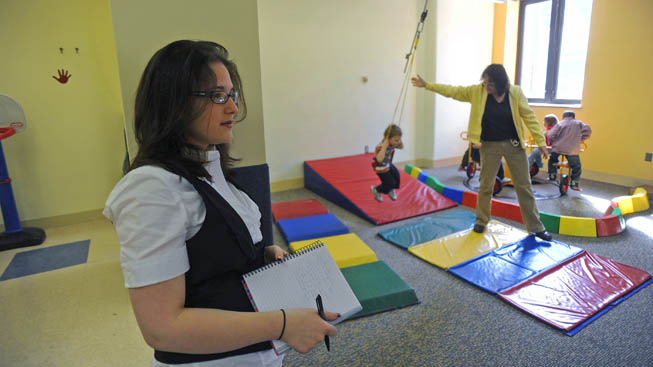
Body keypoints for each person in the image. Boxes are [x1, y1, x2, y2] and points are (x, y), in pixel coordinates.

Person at [103, 40, 337, 367]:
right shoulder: (152, 188)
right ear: (173, 103)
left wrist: (259, 256)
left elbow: (209, 255)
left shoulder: (209, 167)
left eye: (232, 95)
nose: (232, 108)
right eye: (217, 96)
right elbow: (162, 328)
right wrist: (283, 324)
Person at [411, 64, 553, 241]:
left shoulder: (515, 93)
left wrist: (541, 142)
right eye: (485, 82)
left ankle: (536, 227)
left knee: (524, 186)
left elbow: (529, 116)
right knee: (486, 185)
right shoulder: (478, 92)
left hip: (513, 145)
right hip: (489, 145)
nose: (486, 86)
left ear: (501, 83)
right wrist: (428, 85)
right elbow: (453, 91)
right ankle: (481, 221)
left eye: (490, 84)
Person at [547, 110, 592, 191]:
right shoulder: (578, 123)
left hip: (558, 148)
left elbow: (550, 134)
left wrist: (551, 142)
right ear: (573, 117)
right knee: (576, 166)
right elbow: (588, 130)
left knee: (552, 160)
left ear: (563, 116)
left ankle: (552, 175)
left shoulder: (560, 123)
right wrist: (582, 139)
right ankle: (574, 183)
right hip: (572, 149)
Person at [371, 124, 404, 202]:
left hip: (387, 164)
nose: (397, 142)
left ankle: (390, 190)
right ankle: (376, 190)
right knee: (389, 183)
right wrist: (384, 147)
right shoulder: (380, 146)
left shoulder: (393, 142)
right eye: (396, 140)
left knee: (397, 175)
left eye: (399, 139)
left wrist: (399, 142)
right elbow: (379, 159)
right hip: (380, 167)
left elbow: (401, 147)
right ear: (388, 139)